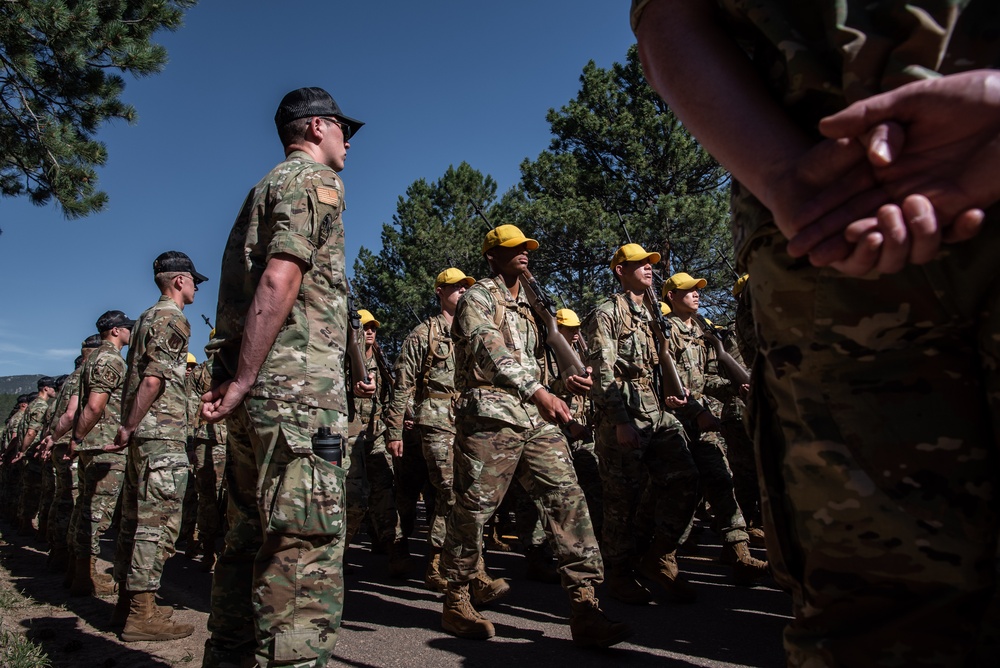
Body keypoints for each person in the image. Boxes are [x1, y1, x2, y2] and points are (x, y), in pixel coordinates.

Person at [632, 1, 1000, 665]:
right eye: (662, 280)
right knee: (881, 602)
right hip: (827, 238)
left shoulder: (699, 322)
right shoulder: (616, 316)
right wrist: (781, 174)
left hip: (821, 223)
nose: (678, 288)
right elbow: (670, 18)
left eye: (678, 282)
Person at [200, 86, 371, 668]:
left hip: (262, 395)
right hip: (296, 392)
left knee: (249, 536)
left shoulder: (263, 188)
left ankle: (227, 657)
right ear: (318, 126)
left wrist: (240, 380)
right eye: (343, 129)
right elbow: (280, 276)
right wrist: (246, 377)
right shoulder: (312, 182)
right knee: (305, 543)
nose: (349, 142)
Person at [440, 223, 630, 648]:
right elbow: (488, 350)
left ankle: (585, 606)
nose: (524, 254)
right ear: (492, 256)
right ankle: (456, 597)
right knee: (474, 509)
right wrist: (538, 390)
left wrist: (565, 383)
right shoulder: (478, 298)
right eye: (513, 249)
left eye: (527, 248)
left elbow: (540, 366)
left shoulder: (534, 306)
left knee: (567, 500)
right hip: (491, 419)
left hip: (536, 421)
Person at [582, 244, 701, 605]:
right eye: (639, 264)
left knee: (687, 480)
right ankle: (618, 572)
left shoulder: (655, 313)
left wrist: (674, 394)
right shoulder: (607, 313)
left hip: (658, 412)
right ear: (620, 270)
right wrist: (619, 421)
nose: (649, 269)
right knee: (621, 499)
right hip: (623, 412)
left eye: (650, 265)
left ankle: (659, 554)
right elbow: (603, 373)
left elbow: (663, 360)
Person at [384, 268, 507, 594]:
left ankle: (456, 563)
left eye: (466, 287)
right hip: (435, 420)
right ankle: (446, 564)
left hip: (469, 421)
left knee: (467, 495)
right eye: (454, 288)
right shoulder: (423, 334)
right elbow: (402, 385)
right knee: (450, 490)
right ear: (439, 291)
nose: (461, 293)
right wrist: (394, 430)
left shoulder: (477, 331)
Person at [106, 250, 205, 642]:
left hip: (145, 436)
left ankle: (126, 606)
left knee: (133, 521)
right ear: (178, 280)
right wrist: (129, 425)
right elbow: (154, 380)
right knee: (156, 524)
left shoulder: (146, 317)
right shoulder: (172, 319)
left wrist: (130, 427)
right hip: (160, 434)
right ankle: (141, 615)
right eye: (194, 279)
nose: (197, 286)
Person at [661, 272, 768, 584]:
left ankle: (738, 551)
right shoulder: (665, 331)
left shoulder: (701, 330)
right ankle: (662, 552)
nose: (696, 294)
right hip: (673, 421)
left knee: (722, 479)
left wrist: (735, 388)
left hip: (702, 419)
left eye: (697, 290)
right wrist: (696, 411)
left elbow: (706, 377)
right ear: (671, 296)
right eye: (688, 290)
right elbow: (671, 380)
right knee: (677, 489)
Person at [68, 309, 133, 597]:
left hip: (93, 445)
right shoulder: (110, 359)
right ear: (116, 331)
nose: (131, 331)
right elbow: (95, 406)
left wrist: (79, 439)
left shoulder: (92, 358)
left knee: (85, 508)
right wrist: (79, 436)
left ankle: (78, 570)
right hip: (105, 447)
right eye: (127, 327)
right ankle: (85, 576)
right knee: (98, 513)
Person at [344, 308, 409, 576]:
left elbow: (387, 398)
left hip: (376, 435)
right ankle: (337, 553)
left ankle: (396, 552)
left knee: (386, 494)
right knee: (354, 499)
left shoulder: (381, 362)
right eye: (365, 326)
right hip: (349, 437)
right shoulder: (344, 360)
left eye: (373, 327)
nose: (370, 330)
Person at [39, 335, 102, 571]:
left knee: (64, 498)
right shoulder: (83, 377)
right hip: (70, 444)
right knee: (76, 502)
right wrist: (60, 438)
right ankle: (73, 561)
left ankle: (59, 551)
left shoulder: (70, 380)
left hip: (63, 444)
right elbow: (70, 414)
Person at [12, 376, 57, 535]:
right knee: (35, 491)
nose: (54, 390)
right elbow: (32, 432)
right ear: (45, 388)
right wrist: (24, 450)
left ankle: (23, 522)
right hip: (33, 454)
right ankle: (27, 525)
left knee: (27, 489)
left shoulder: (31, 406)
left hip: (28, 454)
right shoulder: (40, 406)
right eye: (52, 387)